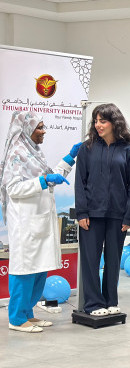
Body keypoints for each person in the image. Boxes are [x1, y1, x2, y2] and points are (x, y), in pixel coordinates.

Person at [0, 111, 80, 332]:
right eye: (40, 127)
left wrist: (69, 158)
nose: (44, 131)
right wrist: (43, 181)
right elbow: (13, 189)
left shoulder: (34, 152)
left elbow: (49, 176)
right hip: (25, 223)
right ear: (27, 129)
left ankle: (28, 313)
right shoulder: (17, 154)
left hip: (40, 221)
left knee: (38, 269)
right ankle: (16, 318)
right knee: (24, 270)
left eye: (44, 127)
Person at [75, 103, 130, 316]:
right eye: (96, 121)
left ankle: (111, 300)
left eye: (103, 120)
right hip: (91, 215)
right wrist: (81, 212)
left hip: (117, 215)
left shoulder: (128, 150)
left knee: (113, 260)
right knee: (91, 261)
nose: (98, 125)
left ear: (114, 122)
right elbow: (80, 182)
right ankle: (93, 304)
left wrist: (129, 215)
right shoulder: (87, 148)